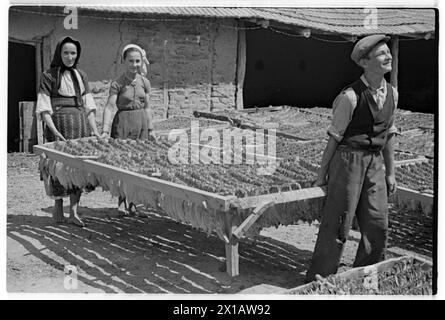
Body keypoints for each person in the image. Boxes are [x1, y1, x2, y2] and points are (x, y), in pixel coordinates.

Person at [306, 35, 398, 282]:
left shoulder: (392, 94)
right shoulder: (350, 97)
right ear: (365, 62)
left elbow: (388, 134)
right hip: (348, 162)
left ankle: (366, 275)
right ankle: (321, 278)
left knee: (378, 221)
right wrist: (322, 173)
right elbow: (334, 138)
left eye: (388, 51)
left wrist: (390, 172)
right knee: (339, 221)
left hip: (375, 163)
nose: (388, 56)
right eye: (381, 54)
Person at [36, 36, 100, 227]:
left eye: (73, 53)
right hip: (59, 126)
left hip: (80, 126)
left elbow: (89, 107)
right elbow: (44, 107)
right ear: (59, 53)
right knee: (57, 166)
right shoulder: (49, 76)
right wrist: (54, 131)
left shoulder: (82, 75)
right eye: (66, 52)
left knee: (77, 168)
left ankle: (74, 211)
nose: (70, 57)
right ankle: (58, 205)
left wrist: (94, 131)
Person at [101, 44, 156, 216]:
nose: (135, 65)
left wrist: (151, 128)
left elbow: (147, 107)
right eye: (131, 61)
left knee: (139, 163)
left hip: (141, 124)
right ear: (124, 61)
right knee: (122, 162)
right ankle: (121, 201)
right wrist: (105, 129)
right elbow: (110, 107)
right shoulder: (117, 83)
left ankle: (135, 203)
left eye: (137, 61)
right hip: (123, 123)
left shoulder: (145, 82)